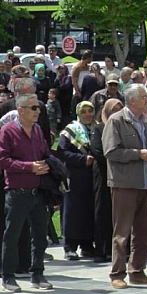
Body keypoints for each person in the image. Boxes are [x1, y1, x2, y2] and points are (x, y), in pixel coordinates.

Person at [102, 85, 147, 288]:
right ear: (132, 100)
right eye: (144, 97)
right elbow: (110, 152)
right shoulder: (117, 120)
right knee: (122, 231)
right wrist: (138, 154)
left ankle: (137, 270)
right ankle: (117, 273)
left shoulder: (144, 121)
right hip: (124, 184)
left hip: (144, 183)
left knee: (144, 231)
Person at [0, 94, 53, 292]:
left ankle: (37, 274)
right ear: (20, 110)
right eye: (33, 108)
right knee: (11, 235)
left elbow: (45, 152)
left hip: (38, 191)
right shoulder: (8, 131)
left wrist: (48, 165)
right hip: (17, 192)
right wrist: (29, 167)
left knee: (40, 235)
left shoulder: (38, 130)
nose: (38, 111)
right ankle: (8, 276)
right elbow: (3, 160)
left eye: (38, 107)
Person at [57, 101, 97, 261]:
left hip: (92, 177)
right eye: (84, 112)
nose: (88, 114)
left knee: (89, 210)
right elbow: (62, 152)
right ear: (78, 113)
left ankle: (87, 245)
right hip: (74, 176)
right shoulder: (70, 131)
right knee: (73, 211)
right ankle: (70, 247)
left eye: (90, 111)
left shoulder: (96, 128)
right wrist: (82, 159)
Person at [89, 98, 124, 265]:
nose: (115, 112)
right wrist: (118, 158)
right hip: (103, 174)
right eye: (113, 109)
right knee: (102, 209)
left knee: (120, 211)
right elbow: (97, 150)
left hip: (121, 174)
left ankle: (119, 249)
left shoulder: (124, 127)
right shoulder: (98, 129)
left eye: (119, 109)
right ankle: (101, 249)